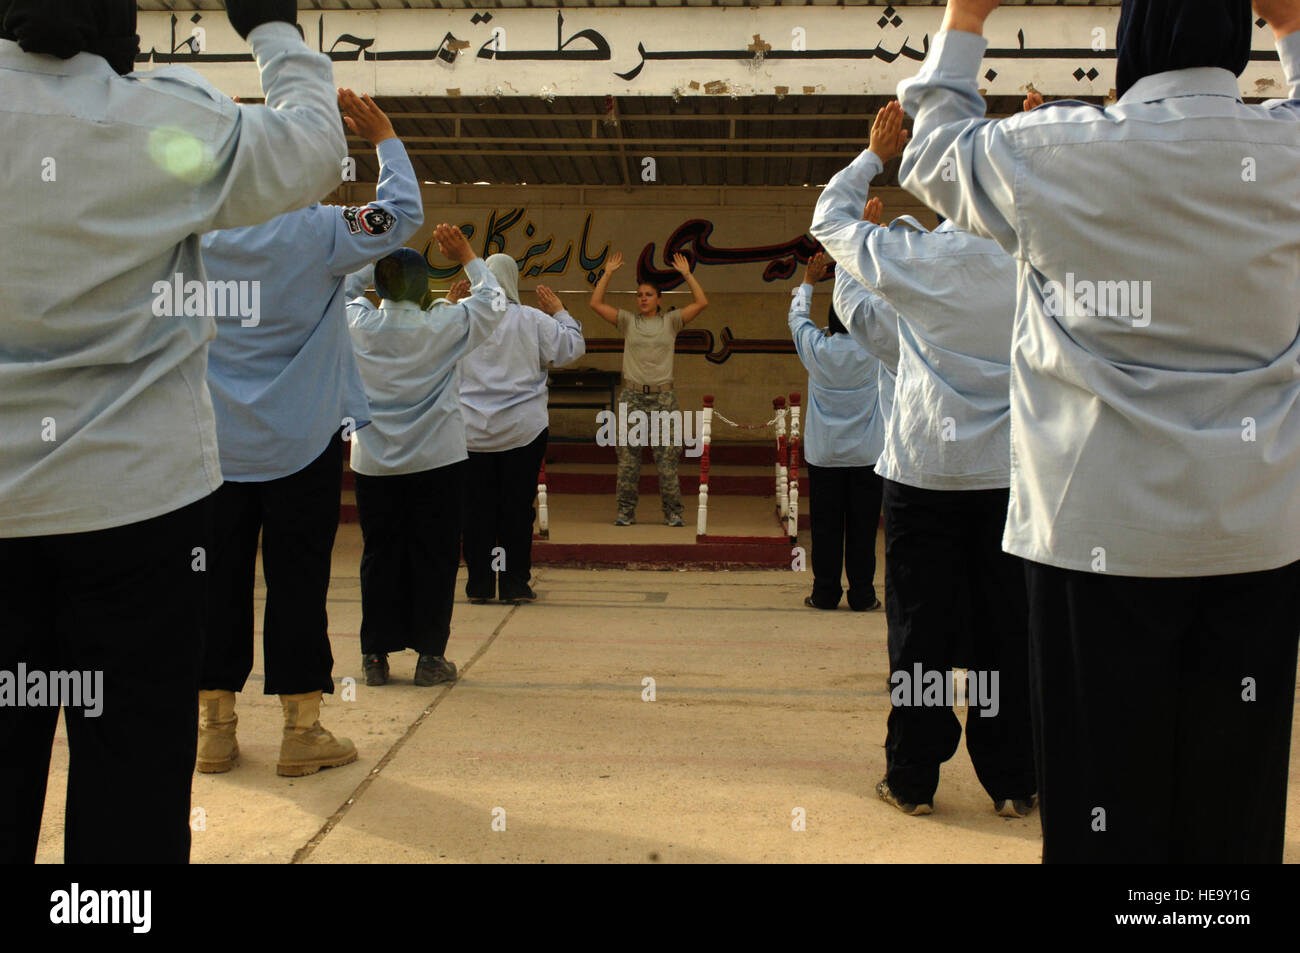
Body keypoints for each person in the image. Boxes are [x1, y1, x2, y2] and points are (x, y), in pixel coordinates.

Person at [894, 0, 1300, 862]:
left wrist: (967, 13)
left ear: (1128, 45)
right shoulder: (1286, 151)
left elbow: (930, 150)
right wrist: (1296, 31)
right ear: (1241, 38)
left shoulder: (1056, 153)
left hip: (1095, 542)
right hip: (1258, 537)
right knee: (1235, 806)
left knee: (1101, 805)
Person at [0, 0, 345, 862]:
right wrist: (270, 27)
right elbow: (314, 148)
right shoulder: (167, 126)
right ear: (125, 35)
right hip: (138, 518)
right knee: (131, 795)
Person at [810, 101, 1035, 820]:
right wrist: (1028, 147)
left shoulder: (914, 259)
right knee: (1005, 632)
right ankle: (1011, 778)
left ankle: (913, 777)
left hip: (924, 476)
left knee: (920, 637)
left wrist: (873, 153)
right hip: (1006, 481)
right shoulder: (1028, 257)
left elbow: (831, 225)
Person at [196, 90, 423, 778]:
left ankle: (214, 729)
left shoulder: (190, 233)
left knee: (215, 586)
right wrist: (384, 136)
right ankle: (301, 730)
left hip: (211, 452)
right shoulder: (321, 230)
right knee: (298, 584)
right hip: (302, 448)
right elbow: (403, 216)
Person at [345, 226, 506, 688]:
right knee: (433, 557)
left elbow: (339, 290)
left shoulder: (358, 322)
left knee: (379, 555)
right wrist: (468, 255)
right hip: (438, 462)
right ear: (425, 289)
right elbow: (494, 302)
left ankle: (374, 657)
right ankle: (429, 658)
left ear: (379, 286)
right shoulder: (444, 324)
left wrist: (372, 257)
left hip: (374, 463)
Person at [458, 256, 586, 605]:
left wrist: (450, 304)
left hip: (470, 433)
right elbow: (570, 349)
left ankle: (480, 584)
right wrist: (560, 312)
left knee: (475, 510)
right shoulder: (532, 319)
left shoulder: (462, 317)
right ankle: (515, 583)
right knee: (516, 509)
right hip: (522, 432)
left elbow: (432, 352)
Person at [787, 252, 885, 612]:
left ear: (828, 324)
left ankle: (825, 593)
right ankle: (862, 595)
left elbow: (797, 318)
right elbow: (884, 314)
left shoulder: (816, 348)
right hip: (867, 457)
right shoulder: (874, 352)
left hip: (825, 456)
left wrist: (809, 281)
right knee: (862, 530)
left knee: (826, 528)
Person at [588, 252, 709, 526]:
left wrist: (687, 274)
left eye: (648, 294)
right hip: (632, 396)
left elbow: (702, 302)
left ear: (659, 299)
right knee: (628, 461)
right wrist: (607, 273)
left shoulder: (671, 321)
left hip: (663, 397)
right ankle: (625, 512)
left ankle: (674, 513)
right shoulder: (628, 321)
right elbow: (595, 303)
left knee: (667, 460)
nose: (642, 298)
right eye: (639, 294)